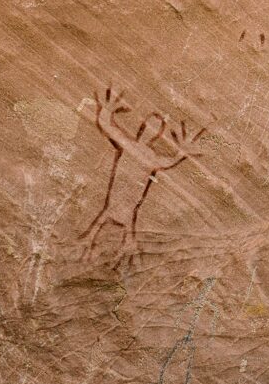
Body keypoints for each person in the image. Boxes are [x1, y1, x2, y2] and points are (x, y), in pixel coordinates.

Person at [80, 87, 202, 268]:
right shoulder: (134, 148)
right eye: (148, 128)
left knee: (113, 224)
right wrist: (106, 110)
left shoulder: (142, 152)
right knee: (110, 222)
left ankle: (112, 257)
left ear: (156, 135)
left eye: (153, 130)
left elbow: (169, 161)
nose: (149, 132)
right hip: (118, 202)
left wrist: (182, 151)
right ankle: (97, 250)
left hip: (126, 206)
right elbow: (107, 126)